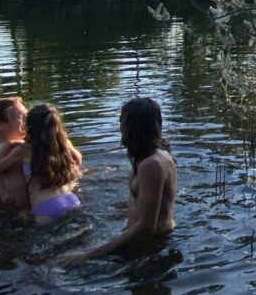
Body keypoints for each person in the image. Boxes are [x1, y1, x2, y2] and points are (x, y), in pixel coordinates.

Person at [62, 98, 176, 264]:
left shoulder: (152, 165)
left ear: (132, 128)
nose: (120, 129)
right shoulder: (147, 156)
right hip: (141, 241)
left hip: (151, 250)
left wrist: (89, 254)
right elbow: (147, 205)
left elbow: (146, 227)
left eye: (122, 123)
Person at [21, 103, 83, 223]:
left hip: (45, 205)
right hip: (71, 199)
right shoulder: (62, 146)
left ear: (29, 126)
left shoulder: (22, 150)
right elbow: (78, 160)